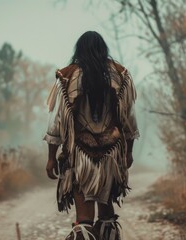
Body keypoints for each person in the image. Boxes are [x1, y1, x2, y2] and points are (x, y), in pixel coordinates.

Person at [44, 31, 139, 240]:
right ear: (103, 49)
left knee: (84, 219)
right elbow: (129, 119)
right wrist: (128, 152)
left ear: (79, 50)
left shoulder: (68, 76)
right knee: (107, 216)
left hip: (80, 156)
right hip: (111, 156)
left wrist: (52, 157)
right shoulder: (119, 74)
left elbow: (56, 122)